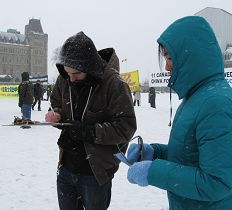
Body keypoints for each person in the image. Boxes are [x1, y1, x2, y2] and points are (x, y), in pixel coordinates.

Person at [126, 16, 232, 210]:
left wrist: (153, 172)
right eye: (165, 58)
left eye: (169, 57)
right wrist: (155, 153)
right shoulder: (196, 98)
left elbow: (217, 182)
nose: (167, 66)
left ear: (191, 55)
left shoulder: (216, 103)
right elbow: (190, 156)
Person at [45, 32, 136, 210]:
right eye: (67, 72)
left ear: (90, 66)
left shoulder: (114, 84)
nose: (71, 79)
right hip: (66, 166)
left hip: (95, 173)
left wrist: (89, 131)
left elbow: (126, 127)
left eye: (77, 73)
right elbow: (56, 102)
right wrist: (56, 114)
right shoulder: (65, 78)